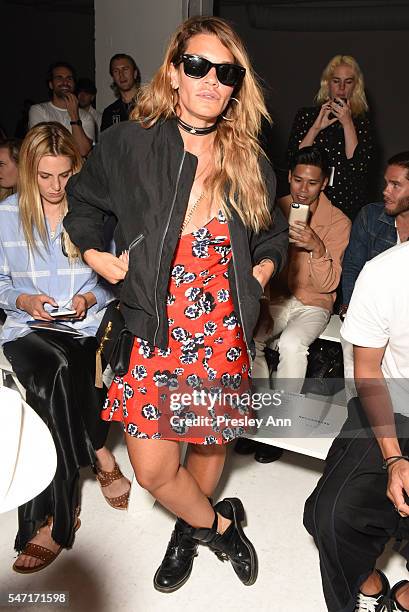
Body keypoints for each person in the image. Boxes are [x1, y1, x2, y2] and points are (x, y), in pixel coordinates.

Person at [64, 15, 288, 593]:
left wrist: (261, 272)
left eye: (225, 71)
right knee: (154, 470)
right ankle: (217, 525)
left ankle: (189, 529)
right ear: (173, 71)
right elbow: (83, 206)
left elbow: (271, 235)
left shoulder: (250, 160)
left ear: (236, 84)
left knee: (210, 447)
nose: (211, 80)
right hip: (157, 331)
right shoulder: (129, 142)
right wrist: (97, 255)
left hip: (222, 333)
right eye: (198, 66)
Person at [0, 123, 130, 574]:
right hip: (27, 329)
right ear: (28, 171)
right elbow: (0, 284)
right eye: (45, 176)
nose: (56, 188)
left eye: (64, 175)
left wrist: (87, 298)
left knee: (63, 371)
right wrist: (24, 299)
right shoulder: (6, 216)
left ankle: (55, 511)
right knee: (53, 368)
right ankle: (84, 473)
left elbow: (114, 280)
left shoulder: (92, 213)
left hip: (83, 325)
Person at [304, 239, 409, 612]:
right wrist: (394, 459)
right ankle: (368, 588)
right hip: (394, 404)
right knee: (329, 514)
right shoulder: (385, 273)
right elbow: (367, 371)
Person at [340, 151, 409, 403]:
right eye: (386, 183)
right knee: (353, 356)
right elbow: (352, 268)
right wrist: (350, 309)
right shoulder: (370, 216)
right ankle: (356, 416)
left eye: (396, 185)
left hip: (403, 324)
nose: (386, 191)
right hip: (366, 315)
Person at [287, 55, 374, 221]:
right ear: (327, 83)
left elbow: (359, 169)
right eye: (336, 81)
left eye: (348, 82)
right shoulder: (307, 115)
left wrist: (348, 123)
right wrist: (316, 128)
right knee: (296, 242)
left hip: (346, 204)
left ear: (355, 86)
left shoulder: (361, 122)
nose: (341, 87)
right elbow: (293, 160)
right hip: (307, 199)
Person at [29, 62, 94, 156]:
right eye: (59, 78)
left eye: (69, 78)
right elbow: (41, 147)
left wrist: (74, 117)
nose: (65, 82)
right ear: (51, 84)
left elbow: (83, 151)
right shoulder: (38, 110)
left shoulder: (86, 116)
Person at [100, 53, 140, 131]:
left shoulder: (150, 105)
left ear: (135, 74)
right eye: (116, 71)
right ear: (113, 78)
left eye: (125, 69)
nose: (121, 75)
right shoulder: (109, 112)